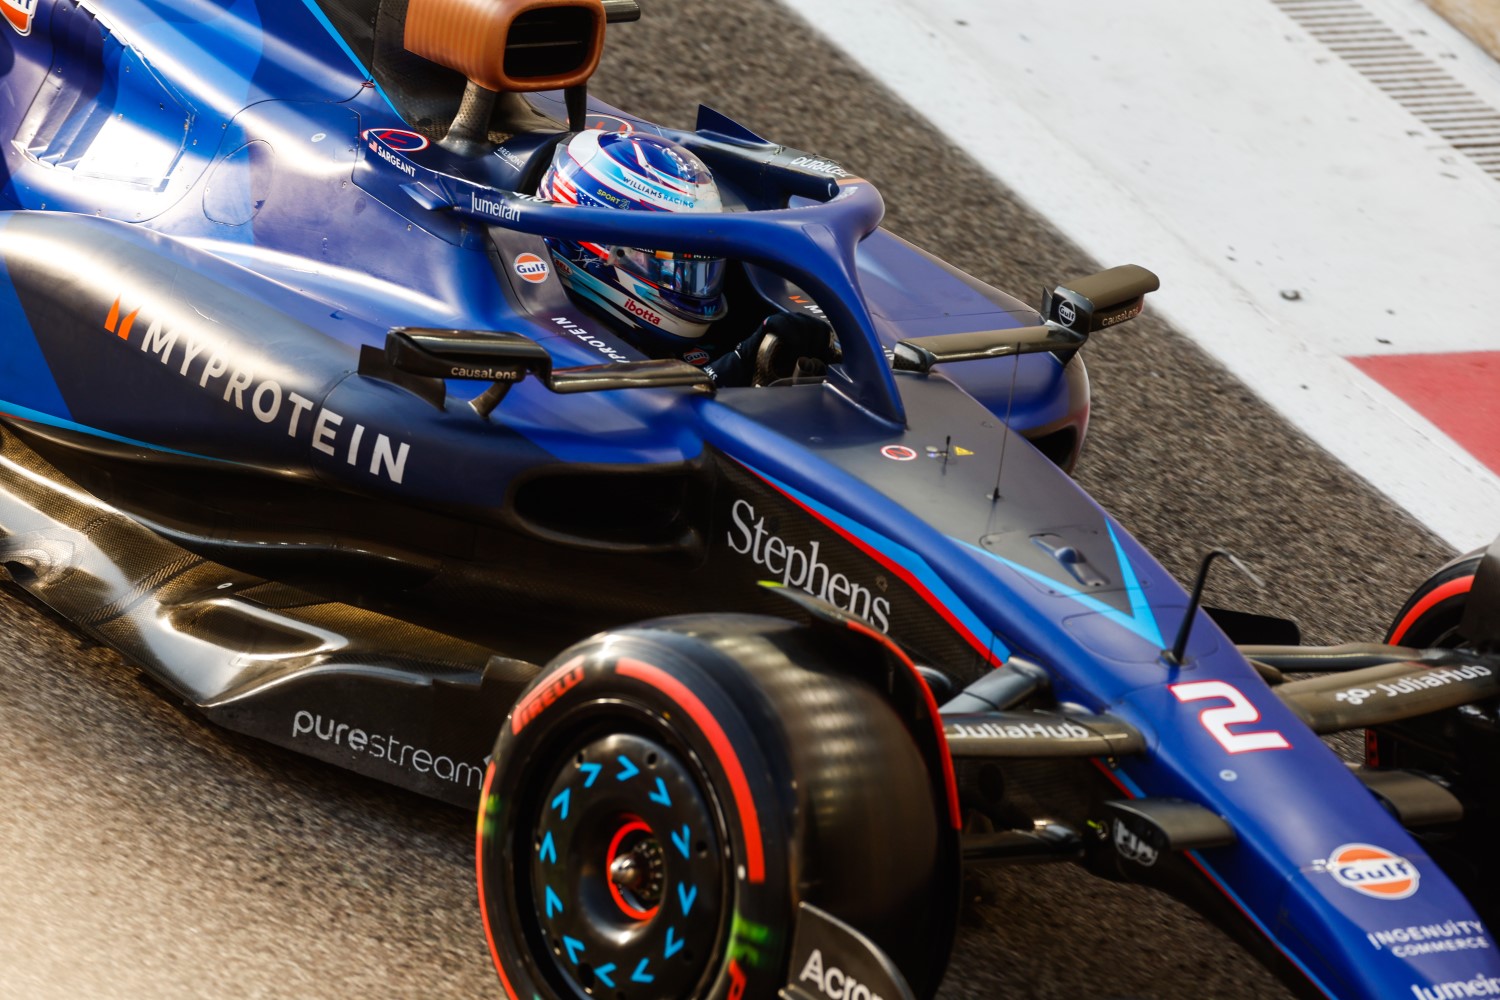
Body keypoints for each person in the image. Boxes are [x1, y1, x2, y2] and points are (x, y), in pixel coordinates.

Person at [537, 129, 835, 386]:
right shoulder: (539, 341)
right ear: (602, 253)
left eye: (700, 266)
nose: (691, 283)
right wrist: (733, 369)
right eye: (667, 265)